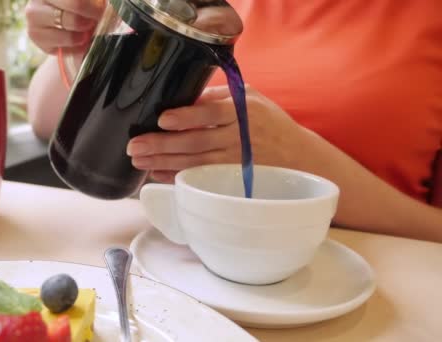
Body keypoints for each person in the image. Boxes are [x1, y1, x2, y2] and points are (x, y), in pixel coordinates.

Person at [24, 0, 442, 242]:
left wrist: (306, 168)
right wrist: (82, 38)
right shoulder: (202, 6)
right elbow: (45, 118)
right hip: (169, 267)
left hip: (370, 293)